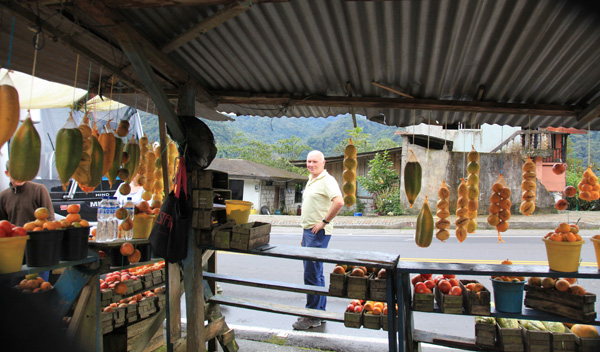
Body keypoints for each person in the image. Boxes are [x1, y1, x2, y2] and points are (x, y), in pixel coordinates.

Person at [293, 150, 344, 330]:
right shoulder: (312, 179)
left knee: (312, 274)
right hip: (309, 233)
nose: (311, 164)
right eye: (309, 161)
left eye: (315, 162)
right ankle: (319, 312)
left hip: (318, 233)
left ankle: (312, 315)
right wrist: (304, 234)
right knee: (317, 273)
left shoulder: (327, 180)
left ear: (324, 162)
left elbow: (339, 202)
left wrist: (324, 222)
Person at [0, 161, 55, 227]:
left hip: (37, 235)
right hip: (15, 236)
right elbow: (2, 224)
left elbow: (49, 219)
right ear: (7, 173)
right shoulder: (3, 196)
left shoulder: (39, 189)